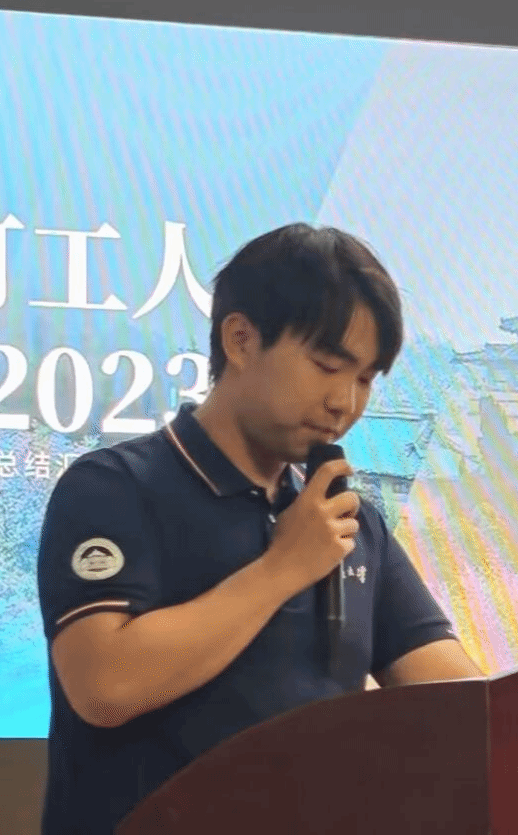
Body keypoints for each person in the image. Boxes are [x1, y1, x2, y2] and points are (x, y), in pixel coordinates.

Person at [36, 223, 483, 834]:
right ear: (241, 340)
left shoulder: (350, 521)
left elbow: (458, 704)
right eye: (328, 366)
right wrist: (282, 570)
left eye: (365, 379)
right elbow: (105, 686)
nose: (345, 402)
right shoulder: (115, 488)